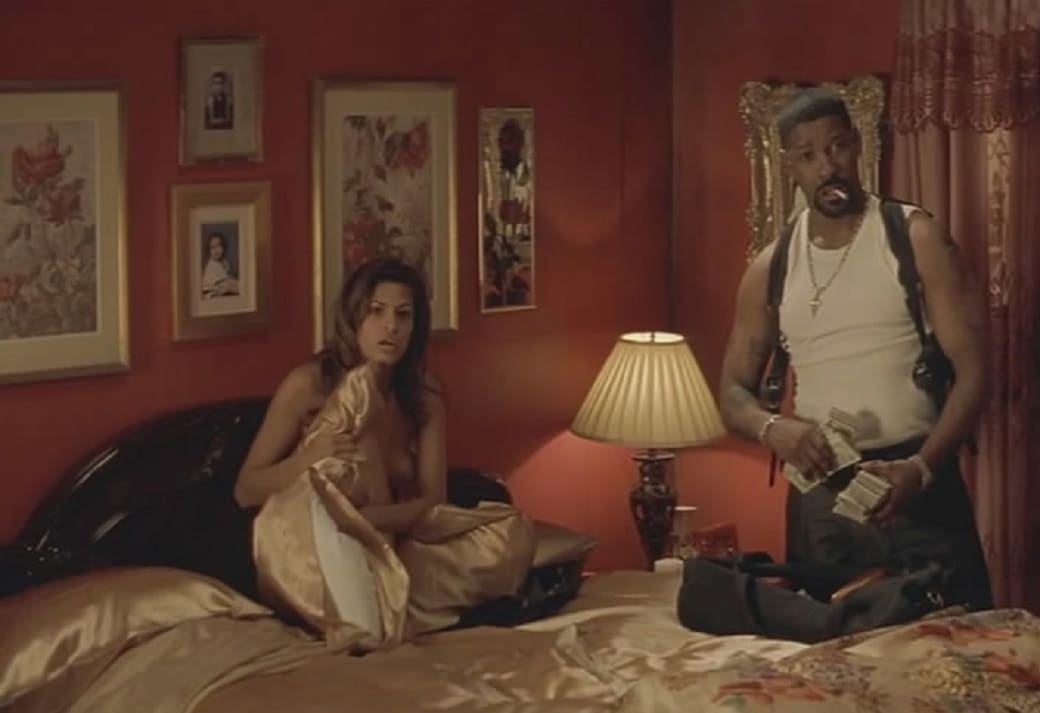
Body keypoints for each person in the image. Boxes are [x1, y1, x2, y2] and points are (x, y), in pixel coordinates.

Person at [716, 87, 993, 614]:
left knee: (957, 644)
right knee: (833, 651)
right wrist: (774, 429)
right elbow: (732, 395)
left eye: (837, 146)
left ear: (857, 145)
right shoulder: (770, 267)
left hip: (918, 483)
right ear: (791, 165)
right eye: (808, 155)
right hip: (820, 497)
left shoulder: (912, 236)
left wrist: (921, 467)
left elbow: (975, 372)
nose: (828, 167)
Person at [234, 257, 446, 534]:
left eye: (403, 314)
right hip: (320, 540)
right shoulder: (308, 385)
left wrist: (367, 519)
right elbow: (246, 491)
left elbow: (435, 501)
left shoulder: (423, 394)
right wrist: (310, 458)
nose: (391, 326)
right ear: (352, 316)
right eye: (376, 311)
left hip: (397, 536)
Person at [201, 231, 240, 298]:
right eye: (212, 247)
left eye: (218, 246)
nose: (216, 250)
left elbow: (227, 278)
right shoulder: (212, 265)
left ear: (224, 247)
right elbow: (226, 282)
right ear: (208, 250)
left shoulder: (224, 262)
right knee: (231, 285)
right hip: (209, 292)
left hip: (220, 288)